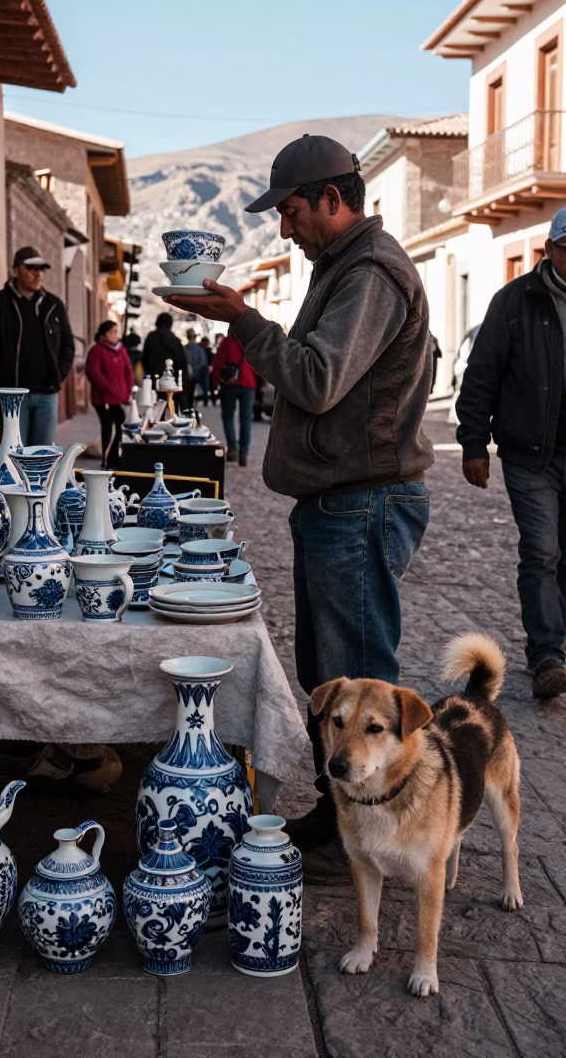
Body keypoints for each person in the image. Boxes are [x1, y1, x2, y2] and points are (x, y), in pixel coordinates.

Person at [163, 133, 433, 882]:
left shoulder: (371, 273)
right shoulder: (340, 269)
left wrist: (245, 322)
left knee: (361, 681)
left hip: (361, 503)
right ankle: (343, 810)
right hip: (337, 502)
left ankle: (381, 833)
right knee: (330, 680)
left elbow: (315, 381)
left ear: (333, 200)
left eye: (290, 212)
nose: (284, 228)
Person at [456, 209, 566, 700]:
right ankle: (547, 654)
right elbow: (481, 375)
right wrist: (474, 444)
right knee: (542, 550)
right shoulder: (515, 301)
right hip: (529, 454)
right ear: (550, 248)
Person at [0, 246, 75, 446]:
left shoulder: (54, 305)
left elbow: (68, 346)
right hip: (12, 396)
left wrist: (58, 375)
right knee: (13, 455)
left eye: (41, 269)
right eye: (31, 268)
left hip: (47, 395)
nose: (38, 274)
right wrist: (5, 375)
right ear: (16, 270)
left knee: (42, 456)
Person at [85, 321, 134, 469]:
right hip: (103, 399)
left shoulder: (121, 349)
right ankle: (106, 460)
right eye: (112, 332)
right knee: (108, 428)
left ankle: (114, 458)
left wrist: (128, 390)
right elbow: (93, 373)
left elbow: (128, 369)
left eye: (116, 332)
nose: (115, 335)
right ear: (104, 334)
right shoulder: (97, 350)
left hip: (118, 397)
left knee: (121, 425)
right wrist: (109, 387)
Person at [212, 333, 258, 465]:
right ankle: (243, 453)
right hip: (248, 383)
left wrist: (215, 384)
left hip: (230, 384)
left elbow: (218, 363)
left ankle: (232, 449)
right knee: (246, 419)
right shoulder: (249, 340)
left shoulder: (227, 342)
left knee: (228, 416)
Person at [142, 312, 188, 397]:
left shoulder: (151, 338)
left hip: (154, 380)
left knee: (156, 408)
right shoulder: (175, 341)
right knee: (173, 407)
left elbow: (144, 359)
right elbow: (182, 362)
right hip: (173, 381)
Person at [184, 329, 208, 409]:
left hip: (187, 375)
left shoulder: (184, 349)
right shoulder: (199, 349)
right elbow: (203, 362)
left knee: (188, 394)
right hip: (197, 374)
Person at [200, 335, 214, 403]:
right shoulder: (208, 351)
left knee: (207, 385)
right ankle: (208, 399)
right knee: (208, 385)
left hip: (206, 370)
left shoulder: (206, 351)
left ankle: (207, 399)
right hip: (206, 370)